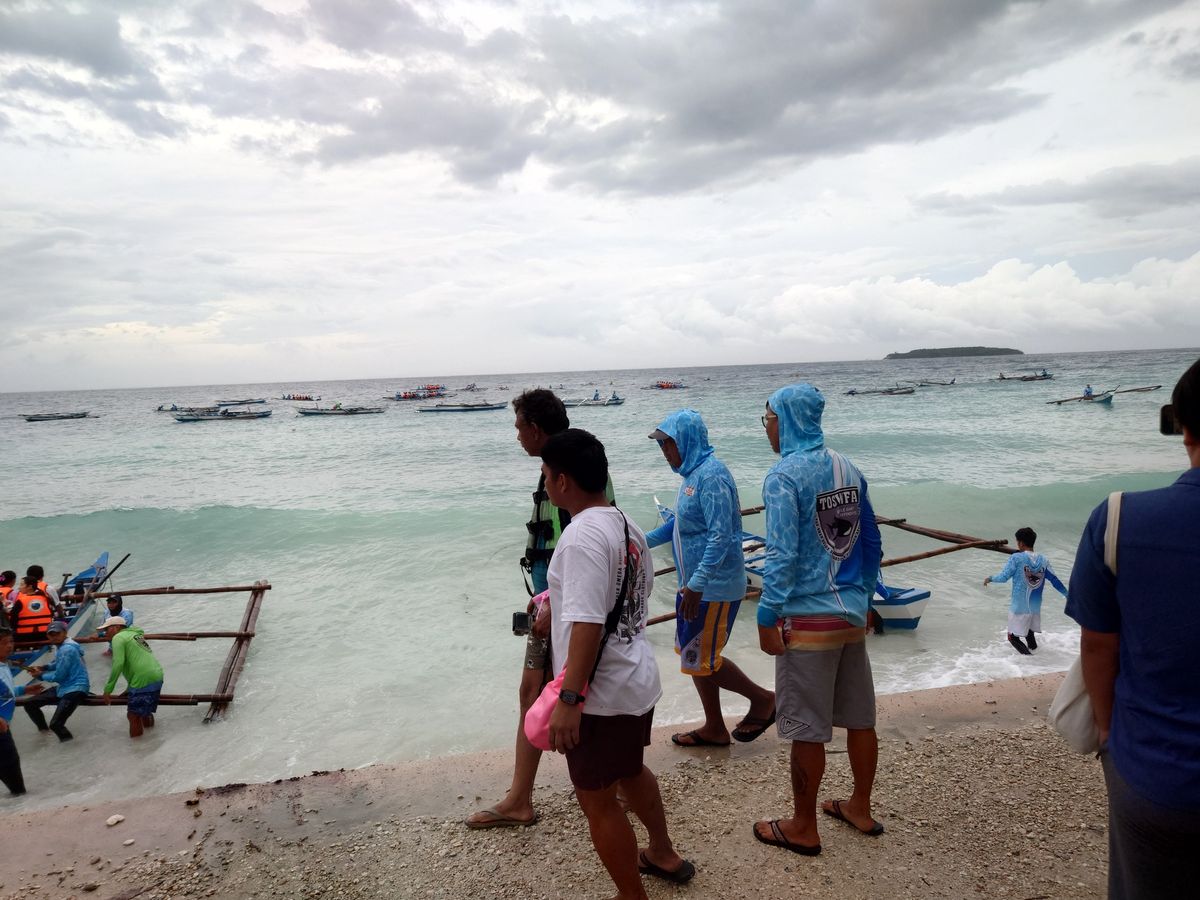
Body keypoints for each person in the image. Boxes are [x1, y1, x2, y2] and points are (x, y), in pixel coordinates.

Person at [1065, 357, 1200, 899]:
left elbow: (1098, 646)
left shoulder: (1120, 518)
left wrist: (1107, 733)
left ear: (1182, 428)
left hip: (1155, 769)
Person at [542, 428, 694, 894]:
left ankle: (632, 895)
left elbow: (589, 625)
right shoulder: (626, 525)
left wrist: (570, 699)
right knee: (631, 771)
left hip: (599, 695)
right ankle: (663, 853)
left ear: (562, 481)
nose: (545, 484)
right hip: (635, 678)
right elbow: (631, 599)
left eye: (546, 475)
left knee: (598, 801)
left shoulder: (579, 537)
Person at [752, 383, 884, 856]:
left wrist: (767, 613)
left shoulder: (782, 476)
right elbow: (871, 541)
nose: (767, 429)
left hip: (807, 620)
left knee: (806, 728)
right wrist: (864, 596)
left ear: (786, 421)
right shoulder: (848, 467)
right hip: (849, 614)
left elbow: (782, 553)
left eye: (768, 419)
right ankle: (860, 807)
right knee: (860, 719)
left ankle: (803, 826)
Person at [466, 389, 576, 829]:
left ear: (534, 428)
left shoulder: (566, 468)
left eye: (518, 428)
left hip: (560, 610)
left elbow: (582, 544)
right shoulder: (573, 458)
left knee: (534, 691)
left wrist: (555, 604)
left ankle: (520, 800)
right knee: (554, 691)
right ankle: (618, 783)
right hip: (556, 603)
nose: (516, 436)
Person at [645, 409, 775, 747]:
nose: (664, 451)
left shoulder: (713, 476)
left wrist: (697, 585)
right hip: (693, 586)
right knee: (692, 656)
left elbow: (723, 536)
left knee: (704, 659)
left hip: (712, 588)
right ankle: (714, 727)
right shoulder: (691, 476)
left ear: (686, 440)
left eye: (668, 443)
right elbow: (677, 526)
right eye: (661, 445)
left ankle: (764, 700)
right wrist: (635, 541)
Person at [983, 528, 1067, 655]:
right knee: (1029, 633)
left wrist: (990, 578)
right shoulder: (1044, 560)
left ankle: (1030, 659)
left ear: (1021, 543)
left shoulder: (1016, 558)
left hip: (1019, 607)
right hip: (1034, 606)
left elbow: (1004, 577)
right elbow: (1054, 580)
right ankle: (1038, 660)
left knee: (1012, 637)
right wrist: (1067, 594)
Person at [99, 615, 164, 738]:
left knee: (133, 715)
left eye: (107, 629)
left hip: (142, 678)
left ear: (116, 627)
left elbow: (118, 663)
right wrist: (130, 688)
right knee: (145, 711)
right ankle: (152, 741)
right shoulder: (136, 635)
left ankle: (138, 748)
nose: (105, 633)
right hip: (157, 674)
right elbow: (139, 660)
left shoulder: (118, 637)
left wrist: (108, 689)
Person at [24, 621, 89, 741]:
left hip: (76, 688)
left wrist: (40, 675)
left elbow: (59, 676)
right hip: (64, 687)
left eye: (57, 633)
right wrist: (44, 667)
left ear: (65, 633)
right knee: (29, 704)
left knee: (56, 724)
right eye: (51, 634)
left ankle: (70, 747)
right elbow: (57, 663)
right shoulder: (62, 646)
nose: (54, 637)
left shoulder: (66, 649)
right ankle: (44, 733)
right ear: (47, 636)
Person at [0, 628, 32, 795]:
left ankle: (16, 802)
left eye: (11, 641)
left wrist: (25, 689)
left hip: (4, 723)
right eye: (4, 643)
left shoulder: (4, 665)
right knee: (10, 763)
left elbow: (6, 692)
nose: (9, 646)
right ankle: (21, 799)